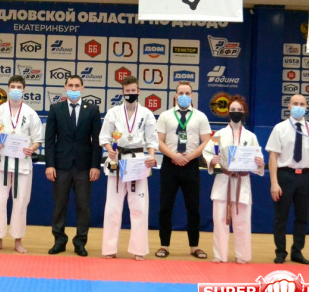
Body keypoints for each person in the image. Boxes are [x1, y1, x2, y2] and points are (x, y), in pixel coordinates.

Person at [99, 76, 158, 260]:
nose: (130, 94)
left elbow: (152, 140)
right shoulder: (113, 112)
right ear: (122, 92)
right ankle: (109, 249)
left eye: (133, 91)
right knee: (112, 207)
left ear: (138, 91)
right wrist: (109, 150)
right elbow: (104, 137)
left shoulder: (147, 113)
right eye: (127, 91)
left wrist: (151, 157)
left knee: (139, 207)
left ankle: (139, 249)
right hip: (117, 160)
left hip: (138, 161)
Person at [201, 95, 265, 264]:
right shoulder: (218, 135)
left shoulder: (251, 136)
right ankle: (220, 255)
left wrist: (259, 163)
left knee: (242, 221)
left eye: (239, 110)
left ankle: (242, 255)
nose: (236, 112)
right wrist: (212, 160)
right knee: (220, 221)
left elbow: (257, 159)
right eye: (233, 109)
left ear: (244, 112)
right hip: (224, 178)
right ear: (228, 111)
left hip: (242, 181)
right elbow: (207, 153)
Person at [266, 94, 309, 265]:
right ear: (289, 106)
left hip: (305, 177)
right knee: (281, 217)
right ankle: (280, 252)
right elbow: (273, 157)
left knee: (302, 217)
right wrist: (274, 182)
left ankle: (297, 251)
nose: (298, 106)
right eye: (295, 103)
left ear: (306, 107)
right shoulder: (279, 128)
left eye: (302, 104)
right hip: (284, 175)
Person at [45, 75, 102, 257]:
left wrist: (95, 166)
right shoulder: (56, 109)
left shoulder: (92, 110)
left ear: (83, 88)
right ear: (65, 87)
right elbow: (50, 140)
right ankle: (59, 241)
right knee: (59, 205)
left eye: (77, 86)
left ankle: (80, 242)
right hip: (61, 166)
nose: (74, 89)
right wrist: (50, 165)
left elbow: (97, 141)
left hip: (84, 167)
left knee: (83, 206)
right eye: (71, 85)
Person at [0, 75, 43, 253]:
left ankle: (18, 240)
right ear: (8, 89)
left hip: (22, 164)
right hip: (1, 163)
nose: (16, 90)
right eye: (13, 86)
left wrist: (32, 149)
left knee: (21, 202)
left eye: (19, 87)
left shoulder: (31, 114)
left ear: (24, 90)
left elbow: (38, 140)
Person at [155, 81, 211, 259]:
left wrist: (189, 156)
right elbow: (158, 141)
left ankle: (194, 246)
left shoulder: (200, 116)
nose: (184, 96)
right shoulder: (165, 116)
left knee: (193, 208)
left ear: (192, 96)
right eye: (181, 93)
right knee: (165, 207)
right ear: (175, 96)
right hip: (169, 164)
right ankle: (164, 245)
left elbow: (206, 141)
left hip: (191, 164)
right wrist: (174, 155)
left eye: (187, 93)